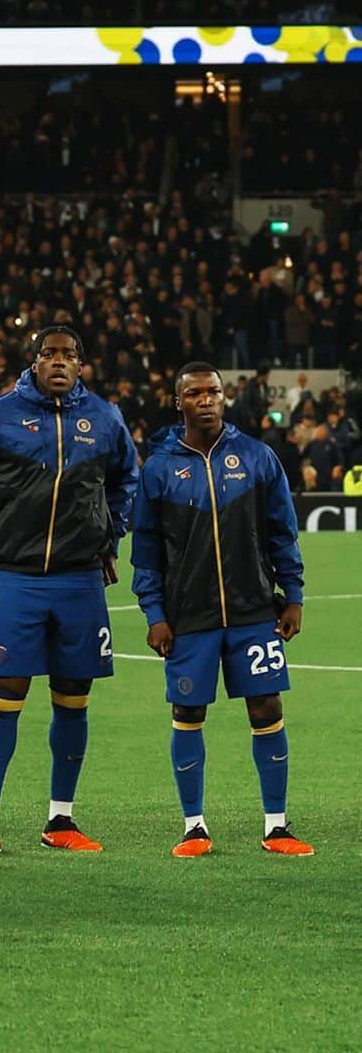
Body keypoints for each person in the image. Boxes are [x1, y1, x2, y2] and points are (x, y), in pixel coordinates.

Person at [0, 326, 138, 857]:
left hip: (80, 580)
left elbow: (127, 480)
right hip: (16, 577)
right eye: (49, 354)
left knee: (73, 702)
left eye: (68, 355)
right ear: (34, 360)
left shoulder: (103, 418)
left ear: (81, 364)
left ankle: (62, 819)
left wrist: (109, 534)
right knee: (3, 696)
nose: (58, 362)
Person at [131, 361, 312, 857]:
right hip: (189, 616)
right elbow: (145, 549)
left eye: (213, 392)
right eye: (195, 394)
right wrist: (154, 613)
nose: (206, 400)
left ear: (223, 398)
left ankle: (276, 825)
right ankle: (194, 826)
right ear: (179, 402)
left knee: (267, 707)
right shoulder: (159, 469)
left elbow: (282, 532)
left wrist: (292, 595)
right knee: (188, 711)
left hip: (255, 612)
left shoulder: (257, 458)